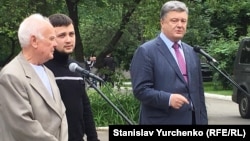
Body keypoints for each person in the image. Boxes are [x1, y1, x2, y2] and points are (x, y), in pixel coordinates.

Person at [130, 1, 208, 125]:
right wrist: (168, 99)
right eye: (174, 20)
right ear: (162, 22)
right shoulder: (146, 51)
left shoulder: (192, 52)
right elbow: (140, 90)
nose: (179, 25)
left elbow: (199, 94)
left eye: (183, 21)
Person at [0, 13, 68, 141]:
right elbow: (23, 127)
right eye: (51, 38)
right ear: (34, 41)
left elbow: (61, 113)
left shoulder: (49, 73)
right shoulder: (11, 75)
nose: (55, 44)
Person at [45, 13, 100, 141]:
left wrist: (93, 138)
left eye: (71, 34)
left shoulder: (76, 67)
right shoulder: (44, 69)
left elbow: (85, 108)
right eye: (62, 35)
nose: (69, 40)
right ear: (50, 38)